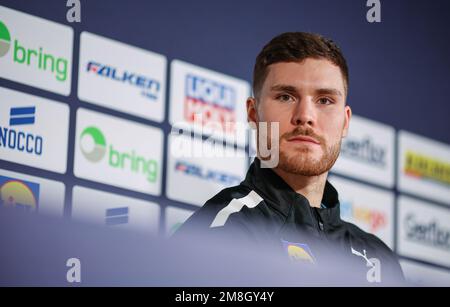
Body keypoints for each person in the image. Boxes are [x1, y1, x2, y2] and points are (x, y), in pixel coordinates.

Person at [174, 32, 404, 285]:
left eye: (325, 100)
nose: (305, 116)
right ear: (253, 114)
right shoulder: (225, 229)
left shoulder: (379, 259)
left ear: (345, 122)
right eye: (285, 96)